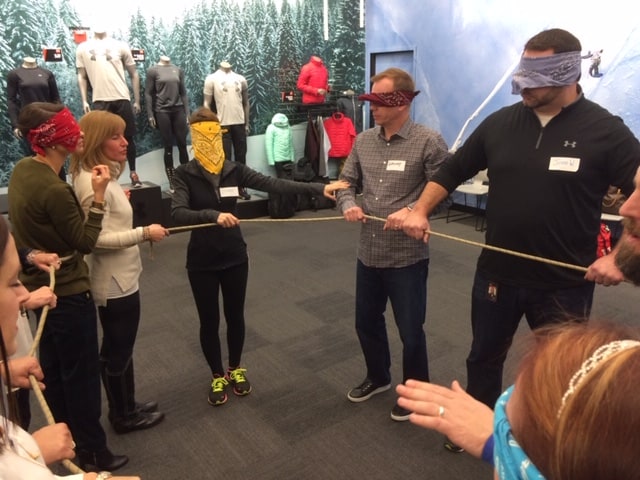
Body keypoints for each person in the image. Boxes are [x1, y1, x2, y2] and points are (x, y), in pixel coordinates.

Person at [401, 28, 640, 440]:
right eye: (521, 73)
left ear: (567, 74)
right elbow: (454, 169)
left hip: (565, 283)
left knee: (559, 369)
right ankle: (474, 428)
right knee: (484, 359)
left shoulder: (605, 130)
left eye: (535, 78)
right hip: (496, 275)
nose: (522, 86)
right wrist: (420, 209)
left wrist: (621, 256)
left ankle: (549, 440)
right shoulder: (501, 123)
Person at [171, 107, 349, 407]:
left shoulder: (233, 169)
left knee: (235, 315)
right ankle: (217, 374)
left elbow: (274, 184)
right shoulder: (183, 174)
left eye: (213, 132)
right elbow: (177, 214)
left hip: (235, 255)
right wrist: (212, 215)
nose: (209, 139)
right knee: (209, 320)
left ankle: (235, 368)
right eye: (202, 133)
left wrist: (320, 187)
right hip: (201, 260)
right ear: (193, 137)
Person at [7, 102, 128, 472]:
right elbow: (84, 241)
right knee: (83, 378)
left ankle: (67, 444)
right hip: (69, 292)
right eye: (67, 128)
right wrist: (97, 197)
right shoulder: (56, 189)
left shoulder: (23, 172)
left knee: (56, 374)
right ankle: (94, 450)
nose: (77, 133)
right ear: (52, 139)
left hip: (40, 292)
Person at [335, 68, 450, 421]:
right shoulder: (363, 141)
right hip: (368, 254)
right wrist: (349, 204)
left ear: (402, 102)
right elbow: (345, 183)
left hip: (407, 258)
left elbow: (443, 195)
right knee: (366, 322)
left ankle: (416, 392)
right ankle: (379, 376)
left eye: (379, 101)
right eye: (370, 101)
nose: (372, 108)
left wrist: (415, 209)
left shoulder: (429, 141)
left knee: (410, 331)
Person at [0, 216, 140, 480]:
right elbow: (86, 241)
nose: (22, 296)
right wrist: (31, 451)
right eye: (11, 283)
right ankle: (93, 450)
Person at [70, 110, 167, 435]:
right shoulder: (90, 181)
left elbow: (104, 220)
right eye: (115, 136)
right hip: (113, 283)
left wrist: (117, 201)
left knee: (118, 346)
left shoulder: (100, 177)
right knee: (117, 348)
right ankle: (123, 415)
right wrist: (143, 233)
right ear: (98, 141)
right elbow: (95, 241)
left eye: (124, 135)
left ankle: (127, 405)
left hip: (121, 278)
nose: (125, 142)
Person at [76, 26, 143, 187]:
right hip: (100, 98)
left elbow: (134, 74)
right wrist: (84, 100)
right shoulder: (83, 47)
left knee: (128, 137)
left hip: (121, 96)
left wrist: (137, 100)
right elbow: (81, 76)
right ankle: (102, 174)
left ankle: (133, 172)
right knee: (99, 139)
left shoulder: (120, 45)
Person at [6, 57, 65, 180]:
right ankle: (40, 189)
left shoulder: (46, 73)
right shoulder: (15, 74)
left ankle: (61, 187)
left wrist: (60, 119)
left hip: (48, 121)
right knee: (36, 157)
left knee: (55, 154)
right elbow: (11, 101)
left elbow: (56, 99)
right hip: (29, 122)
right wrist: (15, 124)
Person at [203, 61, 251, 200]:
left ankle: (241, 187)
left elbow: (246, 103)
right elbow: (207, 103)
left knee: (241, 158)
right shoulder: (211, 78)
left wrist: (246, 123)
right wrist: (209, 124)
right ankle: (227, 189)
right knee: (225, 158)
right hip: (222, 123)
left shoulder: (241, 79)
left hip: (239, 123)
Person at [145, 55, 190, 191]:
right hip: (162, 111)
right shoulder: (153, 70)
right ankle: (172, 181)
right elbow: (148, 93)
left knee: (182, 144)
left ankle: (187, 179)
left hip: (178, 110)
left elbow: (183, 93)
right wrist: (150, 114)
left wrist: (187, 113)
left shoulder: (177, 70)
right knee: (168, 146)